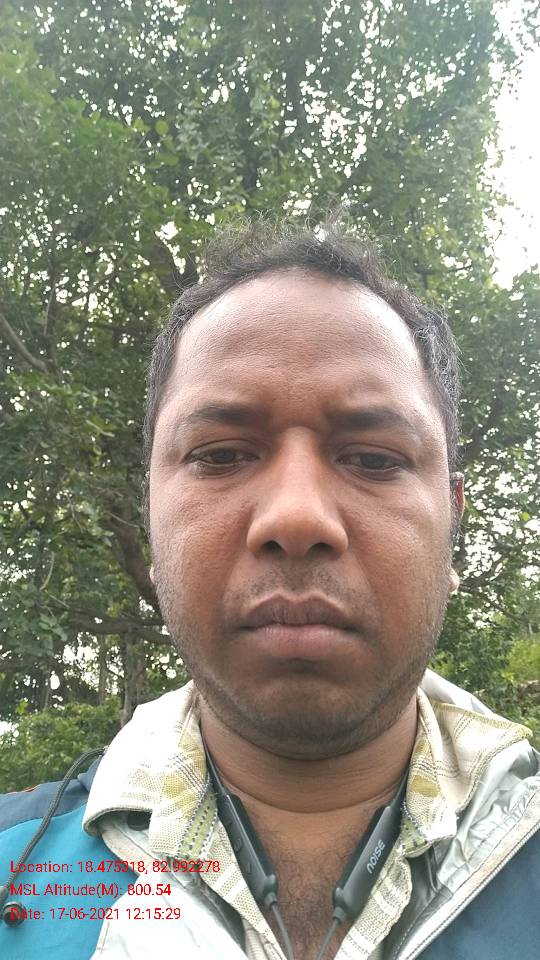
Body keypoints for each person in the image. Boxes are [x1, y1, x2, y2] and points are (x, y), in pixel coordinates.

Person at [1, 216, 539, 960]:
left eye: (374, 459)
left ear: (452, 526)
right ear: (151, 524)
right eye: (222, 454)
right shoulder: (17, 872)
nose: (296, 517)